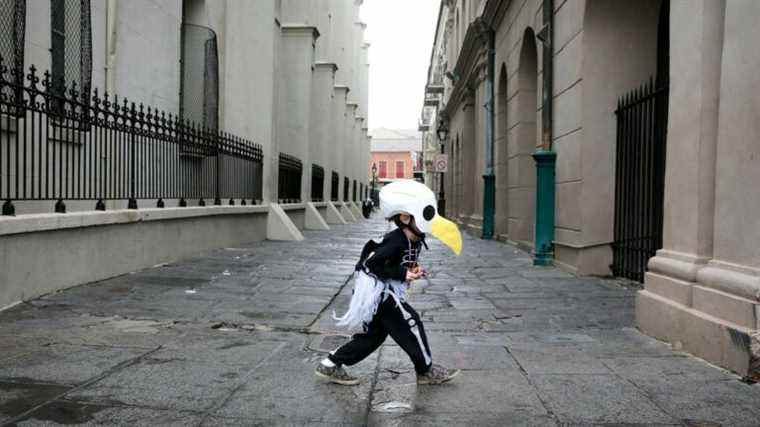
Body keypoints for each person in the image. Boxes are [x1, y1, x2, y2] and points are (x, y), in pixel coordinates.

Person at [315, 180, 463, 386]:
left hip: (384, 290)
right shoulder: (395, 240)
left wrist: (412, 270)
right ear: (405, 217)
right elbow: (373, 264)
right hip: (380, 292)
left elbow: (399, 262)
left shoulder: (414, 239)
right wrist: (402, 273)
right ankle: (426, 370)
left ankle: (330, 364)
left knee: (374, 337)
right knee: (411, 321)